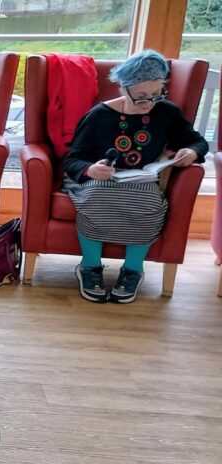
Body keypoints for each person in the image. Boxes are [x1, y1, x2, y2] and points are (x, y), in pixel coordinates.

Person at [64, 50, 207, 303]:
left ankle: (132, 270)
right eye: (141, 97)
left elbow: (197, 142)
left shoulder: (167, 112)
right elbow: (72, 159)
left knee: (149, 202)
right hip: (98, 178)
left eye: (156, 95)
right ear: (123, 87)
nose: (148, 103)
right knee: (98, 196)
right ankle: (89, 266)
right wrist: (91, 169)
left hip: (141, 181)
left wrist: (191, 152)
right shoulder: (99, 115)